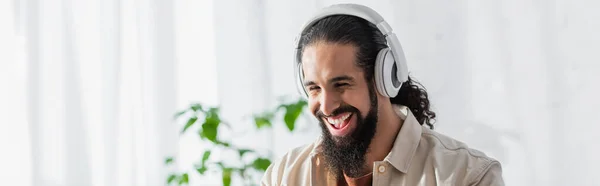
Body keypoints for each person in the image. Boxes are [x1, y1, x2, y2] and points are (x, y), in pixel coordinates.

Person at [261, 3, 504, 186]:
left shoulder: (467, 175)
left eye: (341, 84)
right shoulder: (283, 176)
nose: (326, 106)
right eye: (314, 88)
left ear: (385, 77)